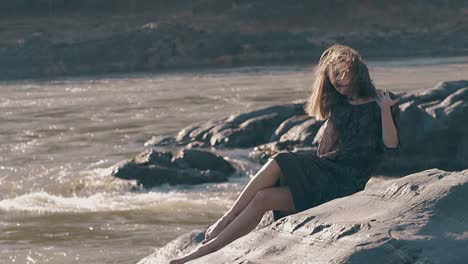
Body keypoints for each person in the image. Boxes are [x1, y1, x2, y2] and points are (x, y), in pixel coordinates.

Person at [169, 44, 401, 264]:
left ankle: (208, 246)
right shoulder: (338, 103)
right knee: (263, 197)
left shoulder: (381, 103)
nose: (337, 80)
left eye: (342, 73)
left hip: (344, 183)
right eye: (333, 75)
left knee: (282, 159)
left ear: (357, 72)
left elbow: (391, 144)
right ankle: (215, 236)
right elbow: (325, 149)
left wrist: (384, 110)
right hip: (323, 172)